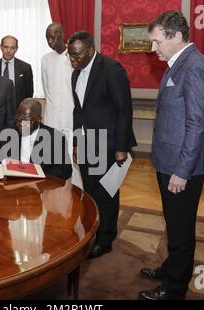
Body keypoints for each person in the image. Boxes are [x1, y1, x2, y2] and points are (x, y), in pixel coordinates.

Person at [138, 10, 204, 300]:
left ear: (178, 36)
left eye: (157, 42)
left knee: (181, 231)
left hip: (182, 167)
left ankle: (174, 288)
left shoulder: (195, 66)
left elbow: (196, 124)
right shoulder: (177, 64)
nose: (153, 48)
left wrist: (182, 171)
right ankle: (172, 267)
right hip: (169, 162)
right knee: (173, 223)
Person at [68, 31, 137, 259]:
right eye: (70, 55)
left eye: (77, 55)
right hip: (87, 142)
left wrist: (121, 147)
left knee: (107, 193)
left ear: (90, 50)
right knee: (90, 191)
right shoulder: (75, 75)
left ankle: (106, 239)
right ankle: (94, 230)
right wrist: (77, 142)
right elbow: (79, 111)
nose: (73, 60)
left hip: (108, 143)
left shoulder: (111, 70)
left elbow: (124, 110)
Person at [0, 98, 72, 180]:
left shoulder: (56, 138)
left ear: (39, 119)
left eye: (27, 120)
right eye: (18, 119)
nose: (21, 124)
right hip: (10, 187)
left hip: (39, 189)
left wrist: (37, 175)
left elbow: (64, 170)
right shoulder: (6, 132)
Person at [41, 23, 82, 188]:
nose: (50, 41)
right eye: (47, 38)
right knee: (55, 159)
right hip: (53, 118)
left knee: (75, 159)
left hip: (73, 118)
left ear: (63, 35)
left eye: (54, 37)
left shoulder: (74, 56)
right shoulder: (45, 59)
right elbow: (46, 90)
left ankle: (78, 193)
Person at [0, 35, 33, 108]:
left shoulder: (25, 68)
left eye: (12, 48)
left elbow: (29, 94)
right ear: (1, 47)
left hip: (17, 112)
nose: (8, 51)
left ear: (16, 49)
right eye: (6, 47)